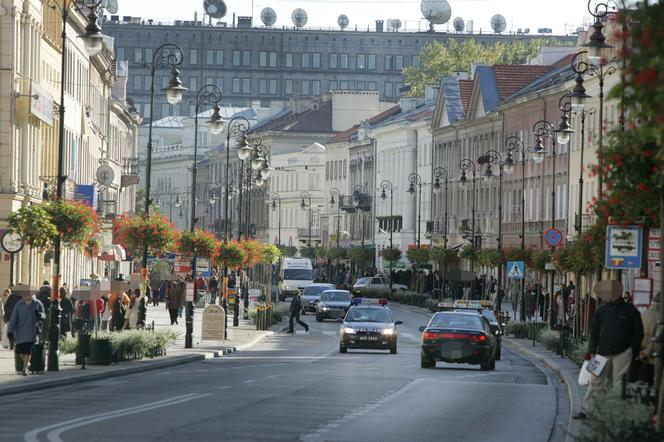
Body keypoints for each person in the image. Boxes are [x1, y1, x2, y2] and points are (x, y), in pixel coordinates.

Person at [575, 288, 644, 419]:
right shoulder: (601, 310)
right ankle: (587, 410)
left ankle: (617, 413)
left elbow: (638, 332)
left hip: (622, 353)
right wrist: (591, 351)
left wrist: (632, 350)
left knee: (620, 383)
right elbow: (593, 332)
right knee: (595, 382)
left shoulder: (630, 310)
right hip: (601, 353)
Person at [7, 291, 45, 376]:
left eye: (30, 294)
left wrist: (40, 315)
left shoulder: (37, 303)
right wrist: (10, 331)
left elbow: (43, 314)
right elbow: (13, 318)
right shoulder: (19, 305)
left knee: (28, 351)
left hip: (31, 331)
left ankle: (25, 367)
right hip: (20, 332)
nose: (28, 296)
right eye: (26, 294)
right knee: (19, 351)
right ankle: (26, 363)